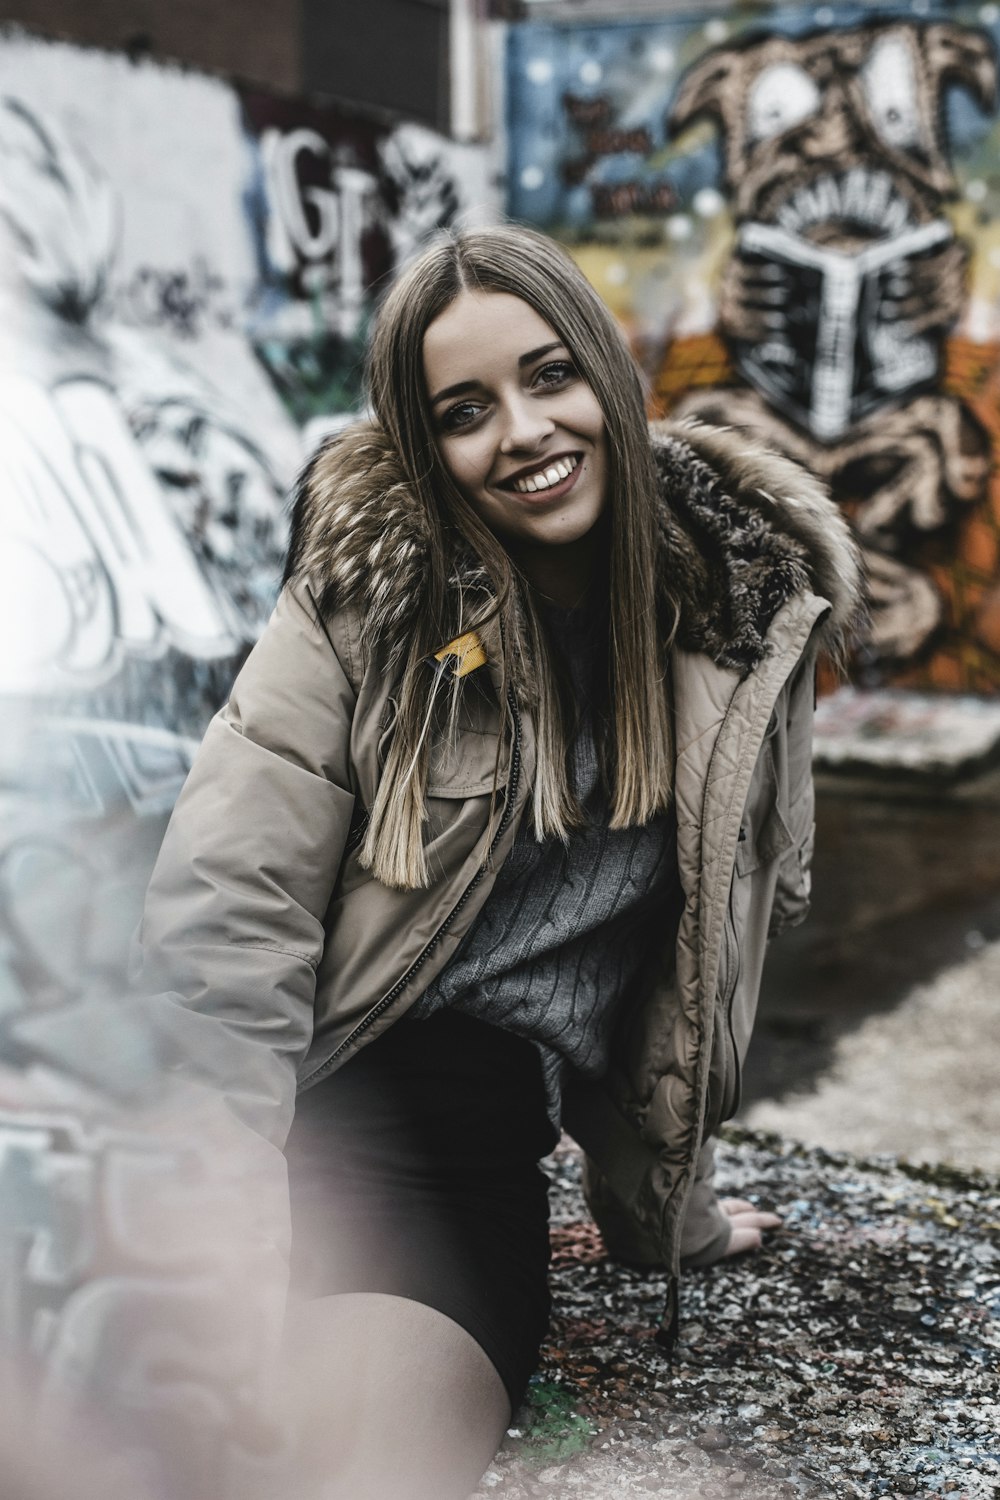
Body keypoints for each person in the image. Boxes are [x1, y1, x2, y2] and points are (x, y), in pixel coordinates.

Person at [136, 224, 862, 1499]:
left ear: (607, 374)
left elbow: (693, 980)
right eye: (464, 410)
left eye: (547, 377)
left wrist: (668, 1222)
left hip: (468, 1136)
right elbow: (228, 921)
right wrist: (217, 1248)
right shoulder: (367, 601)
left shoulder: (743, 623)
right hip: (335, 1087)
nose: (521, 432)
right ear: (428, 451)